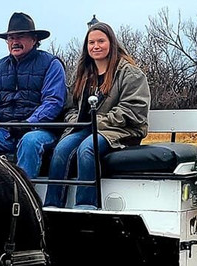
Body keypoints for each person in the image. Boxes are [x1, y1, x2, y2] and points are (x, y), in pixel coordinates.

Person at [44, 21, 150, 208]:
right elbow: (71, 107)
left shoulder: (130, 73)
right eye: (91, 43)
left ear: (112, 43)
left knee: (88, 149)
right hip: (87, 128)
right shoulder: (84, 74)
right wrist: (75, 121)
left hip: (121, 131)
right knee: (61, 149)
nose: (96, 46)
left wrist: (97, 121)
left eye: (101, 41)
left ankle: (86, 206)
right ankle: (52, 206)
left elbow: (134, 110)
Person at [0, 12, 66, 178]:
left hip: (39, 131)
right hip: (1, 131)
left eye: (20, 36)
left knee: (30, 142)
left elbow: (53, 102)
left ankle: (23, 197)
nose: (14, 42)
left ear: (35, 39)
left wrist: (27, 124)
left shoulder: (51, 64)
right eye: (10, 38)